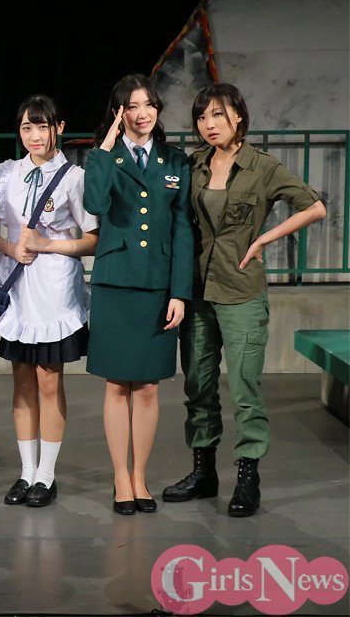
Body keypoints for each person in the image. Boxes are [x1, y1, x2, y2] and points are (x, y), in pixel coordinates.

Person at [162, 83, 326, 517]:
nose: (209, 124)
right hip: (197, 292)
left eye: (218, 114)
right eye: (202, 117)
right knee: (198, 386)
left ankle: (247, 478)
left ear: (238, 115)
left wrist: (265, 239)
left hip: (241, 294)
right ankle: (203, 472)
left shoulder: (263, 167)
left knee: (245, 390)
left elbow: (314, 207)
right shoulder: (193, 165)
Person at [83, 74, 193, 516]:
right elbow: (95, 204)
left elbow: (183, 229)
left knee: (147, 387)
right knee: (117, 384)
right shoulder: (103, 157)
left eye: (148, 104)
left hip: (156, 285)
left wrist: (179, 292)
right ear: (119, 112)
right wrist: (105, 148)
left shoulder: (175, 160)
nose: (142, 113)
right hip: (115, 282)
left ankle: (140, 477)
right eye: (132, 106)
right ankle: (120, 478)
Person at [0, 95, 99, 508]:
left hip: (55, 293)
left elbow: (93, 239)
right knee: (21, 380)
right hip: (17, 290)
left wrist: (48, 244)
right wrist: (10, 248)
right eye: (27, 127)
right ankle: (26, 471)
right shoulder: (5, 173)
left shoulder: (74, 177)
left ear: (59, 128)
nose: (34, 136)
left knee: (50, 380)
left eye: (42, 126)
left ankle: (46, 475)